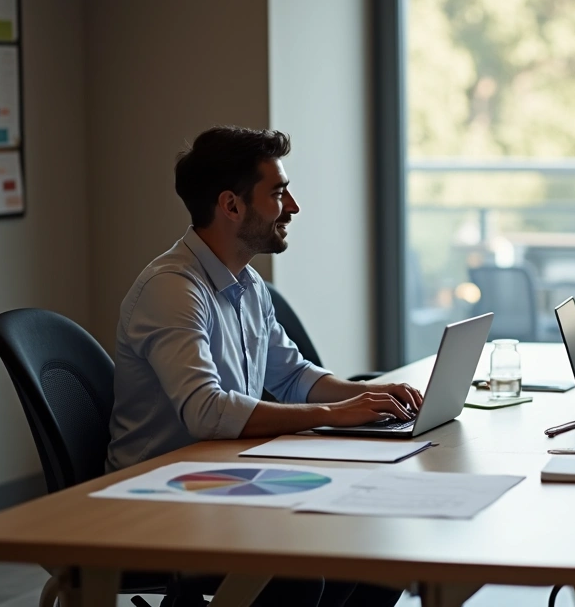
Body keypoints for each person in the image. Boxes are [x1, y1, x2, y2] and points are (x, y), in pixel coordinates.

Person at [106, 126, 407, 607]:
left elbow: (290, 376)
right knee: (299, 573)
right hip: (161, 499)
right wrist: (333, 415)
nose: (293, 207)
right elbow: (206, 412)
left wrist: (367, 397)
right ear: (231, 205)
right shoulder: (173, 289)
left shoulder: (248, 286)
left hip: (227, 481)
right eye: (279, 193)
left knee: (378, 547)